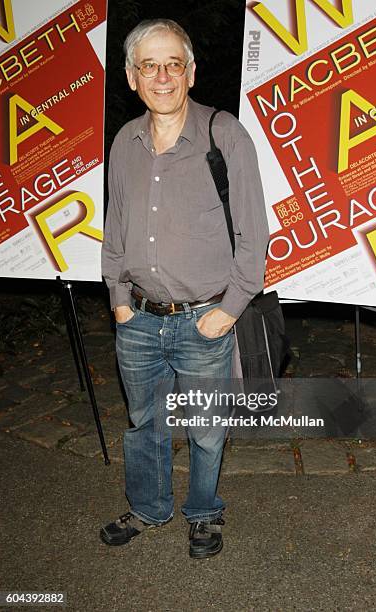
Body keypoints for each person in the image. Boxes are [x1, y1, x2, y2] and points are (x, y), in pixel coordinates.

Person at [101, 18, 269, 558]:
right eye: (150, 65)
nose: (163, 75)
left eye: (174, 63)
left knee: (204, 428)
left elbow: (254, 233)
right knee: (144, 423)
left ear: (191, 72)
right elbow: (115, 226)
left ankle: (203, 513)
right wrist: (119, 302)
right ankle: (149, 508)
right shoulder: (124, 141)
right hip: (140, 321)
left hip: (205, 319)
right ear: (132, 77)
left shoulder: (225, 134)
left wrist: (229, 309)